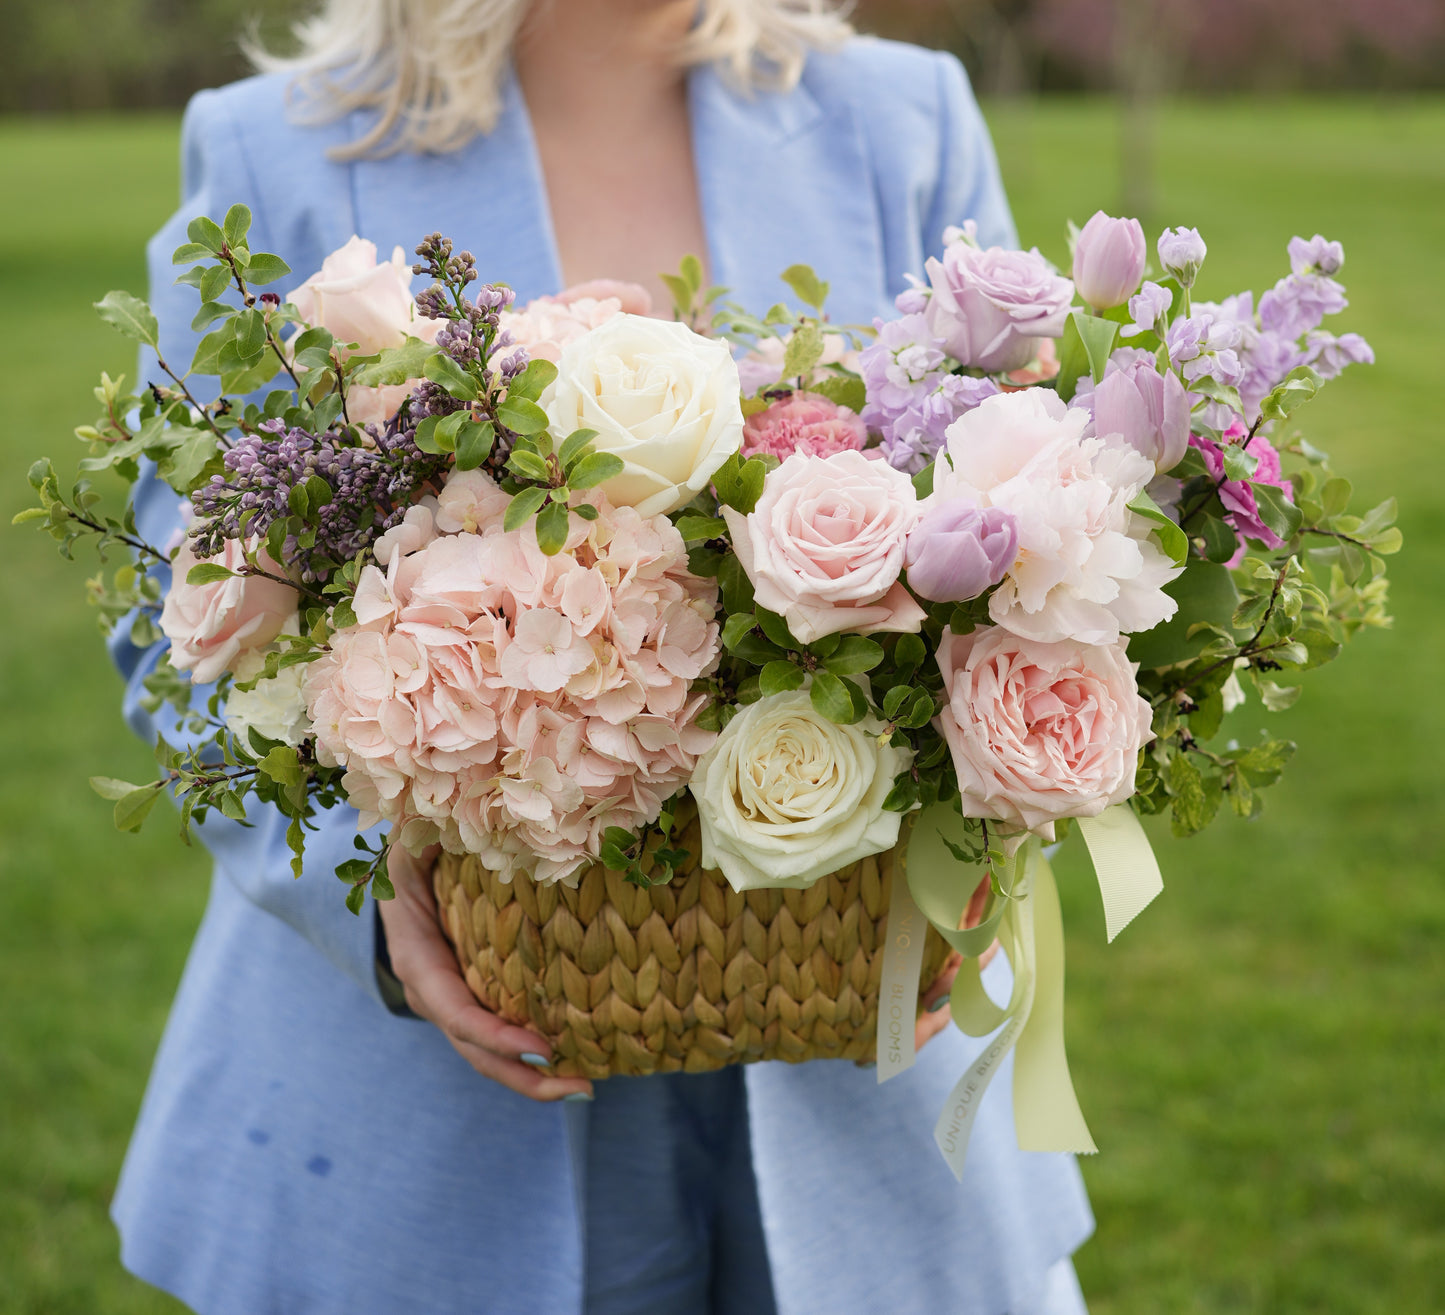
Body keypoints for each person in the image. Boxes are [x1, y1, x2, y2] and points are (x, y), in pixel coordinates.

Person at [110, 1, 1094, 1311]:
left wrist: (978, 862)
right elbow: (174, 631)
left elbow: (1029, 517)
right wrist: (375, 902)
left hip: (862, 1071)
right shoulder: (268, 147)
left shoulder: (899, 117)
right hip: (428, 1099)